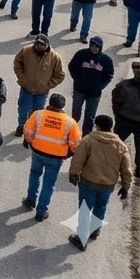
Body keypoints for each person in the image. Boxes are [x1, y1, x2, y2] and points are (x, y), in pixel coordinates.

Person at [68, 114, 134, 251]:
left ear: (97, 126)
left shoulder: (88, 140)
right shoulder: (121, 145)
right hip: (107, 185)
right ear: (111, 127)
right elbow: (126, 169)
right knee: (101, 207)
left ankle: (81, 239)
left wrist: (73, 173)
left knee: (85, 209)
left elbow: (78, 159)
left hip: (88, 182)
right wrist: (126, 186)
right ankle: (95, 230)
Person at [23, 93, 82, 222]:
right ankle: (41, 211)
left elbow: (27, 131)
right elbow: (76, 143)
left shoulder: (38, 114)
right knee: (49, 183)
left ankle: (30, 200)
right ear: (63, 106)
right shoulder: (70, 122)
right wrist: (69, 153)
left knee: (34, 174)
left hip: (38, 151)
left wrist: (31, 141)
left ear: (49, 103)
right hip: (56, 157)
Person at [13, 35, 65, 136]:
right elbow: (17, 63)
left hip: (42, 92)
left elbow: (60, 75)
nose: (38, 46)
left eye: (42, 45)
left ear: (47, 45)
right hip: (26, 88)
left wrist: (48, 85)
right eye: (37, 44)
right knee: (23, 109)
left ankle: (32, 130)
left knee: (37, 113)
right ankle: (21, 126)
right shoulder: (26, 51)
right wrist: (22, 78)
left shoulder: (55, 57)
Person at [69, 37, 115, 135]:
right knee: (75, 114)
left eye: (97, 46)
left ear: (100, 47)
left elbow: (109, 75)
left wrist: (100, 86)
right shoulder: (81, 54)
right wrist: (78, 80)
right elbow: (72, 67)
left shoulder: (106, 60)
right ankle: (73, 134)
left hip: (95, 94)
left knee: (90, 117)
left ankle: (86, 138)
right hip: (79, 90)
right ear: (89, 45)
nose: (94, 48)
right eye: (93, 45)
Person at [112, 60, 140, 171]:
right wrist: (118, 116)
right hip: (124, 120)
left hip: (124, 120)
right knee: (115, 145)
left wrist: (118, 115)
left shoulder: (124, 85)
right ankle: (113, 164)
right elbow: (116, 100)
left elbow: (116, 101)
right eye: (136, 68)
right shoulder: (124, 85)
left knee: (115, 145)